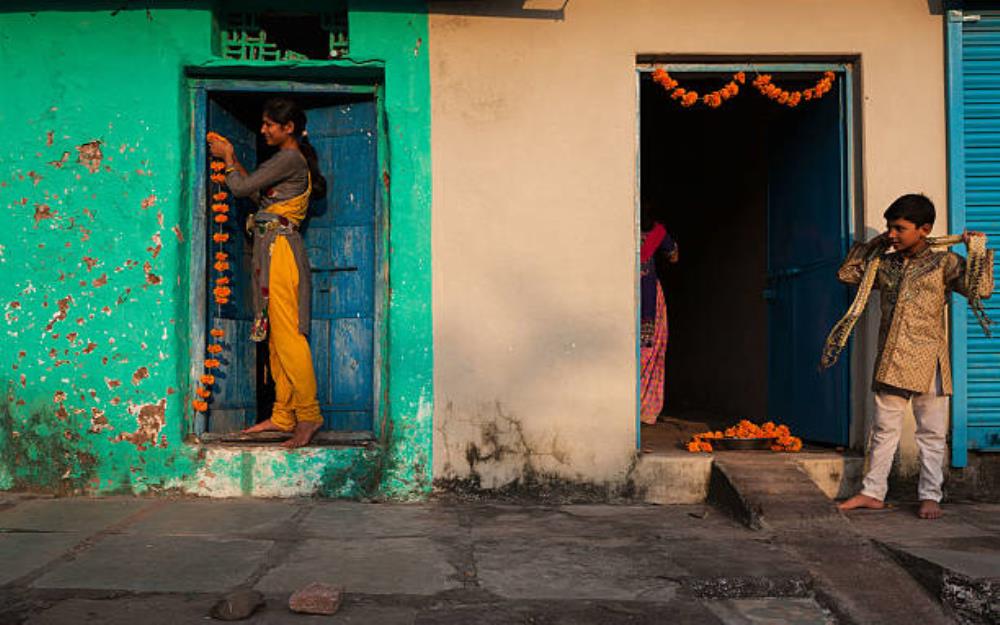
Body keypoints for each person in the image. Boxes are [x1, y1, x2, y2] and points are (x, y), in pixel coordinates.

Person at [836, 194, 992, 519]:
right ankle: (872, 492)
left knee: (932, 434)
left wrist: (975, 250)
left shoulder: (944, 263)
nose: (892, 234)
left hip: (930, 361)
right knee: (882, 430)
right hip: (891, 359)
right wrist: (876, 243)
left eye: (899, 228)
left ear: (925, 229)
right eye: (888, 227)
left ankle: (930, 496)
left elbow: (982, 289)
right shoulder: (884, 264)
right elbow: (848, 274)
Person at [207, 98, 329, 449]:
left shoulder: (290, 158)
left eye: (268, 124)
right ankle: (283, 415)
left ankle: (308, 415)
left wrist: (229, 159)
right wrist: (237, 164)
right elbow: (260, 196)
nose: (263, 130)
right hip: (270, 250)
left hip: (281, 252)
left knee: (289, 337)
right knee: (276, 339)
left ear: (287, 127)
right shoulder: (286, 162)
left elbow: (242, 189)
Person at [640, 217, 679, 425]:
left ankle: (641, 408)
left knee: (646, 351)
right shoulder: (657, 234)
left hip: (643, 300)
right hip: (647, 301)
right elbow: (674, 256)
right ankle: (644, 408)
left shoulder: (625, 230)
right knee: (649, 351)